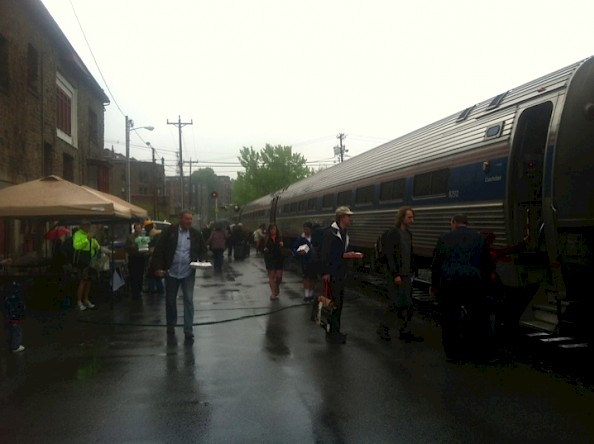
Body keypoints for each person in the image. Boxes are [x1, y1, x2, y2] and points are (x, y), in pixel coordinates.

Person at [430, 214, 491, 363]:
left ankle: (453, 353)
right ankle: (479, 352)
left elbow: (436, 265)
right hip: (474, 283)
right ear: (466, 224)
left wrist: (434, 285)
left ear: (454, 223)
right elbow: (487, 264)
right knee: (478, 318)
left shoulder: (444, 238)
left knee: (449, 319)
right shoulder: (479, 238)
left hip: (450, 283)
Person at [152, 210, 208, 341]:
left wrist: (203, 259)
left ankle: (188, 329)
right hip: (171, 272)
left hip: (188, 272)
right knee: (170, 300)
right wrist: (157, 267)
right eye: (187, 219)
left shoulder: (195, 234)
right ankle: (171, 324)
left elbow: (203, 249)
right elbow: (159, 249)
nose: (189, 221)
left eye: (191, 219)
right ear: (180, 219)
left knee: (188, 300)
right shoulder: (169, 232)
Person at [376, 206, 423, 342]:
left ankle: (404, 330)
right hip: (395, 275)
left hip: (407, 275)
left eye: (413, 217)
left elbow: (409, 253)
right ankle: (383, 328)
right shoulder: (393, 234)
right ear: (402, 218)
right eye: (409, 217)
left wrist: (413, 270)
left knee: (407, 304)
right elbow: (390, 255)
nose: (412, 220)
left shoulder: (408, 234)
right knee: (395, 303)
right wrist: (395, 273)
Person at [319, 206, 355, 344]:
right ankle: (333, 332)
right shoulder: (331, 233)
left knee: (338, 303)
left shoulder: (344, 233)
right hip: (333, 273)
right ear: (342, 218)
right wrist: (325, 272)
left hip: (341, 272)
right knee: (333, 303)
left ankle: (334, 330)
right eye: (348, 216)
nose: (350, 219)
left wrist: (350, 255)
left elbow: (342, 252)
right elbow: (325, 253)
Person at [73, 220, 101, 311]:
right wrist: (87, 239)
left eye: (89, 226)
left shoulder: (90, 235)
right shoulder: (78, 234)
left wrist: (97, 247)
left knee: (89, 281)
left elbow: (96, 245)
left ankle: (85, 299)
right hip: (82, 260)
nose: (88, 227)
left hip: (90, 260)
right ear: (82, 226)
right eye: (86, 226)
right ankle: (79, 301)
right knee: (83, 281)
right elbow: (77, 246)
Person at [292, 222, 317, 302]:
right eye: (304, 229)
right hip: (305, 261)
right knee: (306, 277)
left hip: (314, 261)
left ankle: (311, 293)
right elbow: (294, 248)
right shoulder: (301, 239)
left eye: (307, 229)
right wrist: (298, 253)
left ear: (311, 229)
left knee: (313, 278)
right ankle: (307, 295)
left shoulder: (315, 238)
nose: (306, 231)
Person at [126, 222, 150, 300]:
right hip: (133, 258)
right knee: (133, 275)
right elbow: (126, 247)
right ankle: (134, 292)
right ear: (134, 229)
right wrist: (131, 246)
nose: (138, 229)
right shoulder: (130, 237)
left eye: (139, 228)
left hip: (141, 258)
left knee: (140, 275)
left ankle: (139, 291)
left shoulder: (143, 237)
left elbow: (146, 246)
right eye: (137, 228)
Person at [262, 223, 285, 301]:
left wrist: (282, 245)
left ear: (276, 230)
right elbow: (262, 247)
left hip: (279, 259)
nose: (272, 230)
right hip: (270, 259)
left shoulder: (280, 238)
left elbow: (286, 248)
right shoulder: (266, 238)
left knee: (279, 277)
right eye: (271, 229)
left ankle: (276, 286)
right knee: (271, 276)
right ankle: (273, 294)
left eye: (274, 229)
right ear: (269, 230)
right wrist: (264, 249)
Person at [145, 221, 164, 294]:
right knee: (156, 273)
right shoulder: (159, 232)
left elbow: (150, 245)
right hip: (159, 256)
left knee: (150, 273)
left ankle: (152, 288)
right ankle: (159, 288)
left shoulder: (152, 234)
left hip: (153, 255)